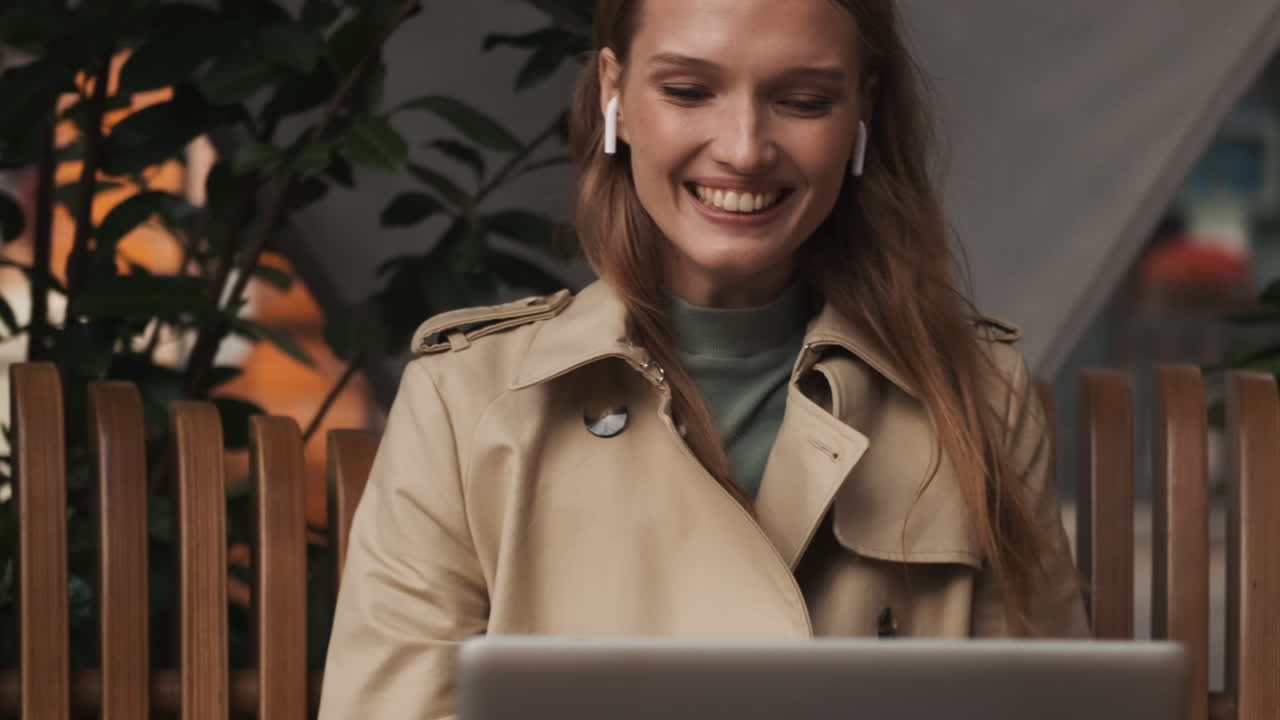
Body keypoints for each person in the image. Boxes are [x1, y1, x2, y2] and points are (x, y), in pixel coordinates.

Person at [318, 0, 1088, 716]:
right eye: (689, 90)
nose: (745, 149)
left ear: (864, 110)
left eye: (805, 101)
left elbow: (1045, 706)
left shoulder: (981, 397)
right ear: (615, 90)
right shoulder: (464, 403)